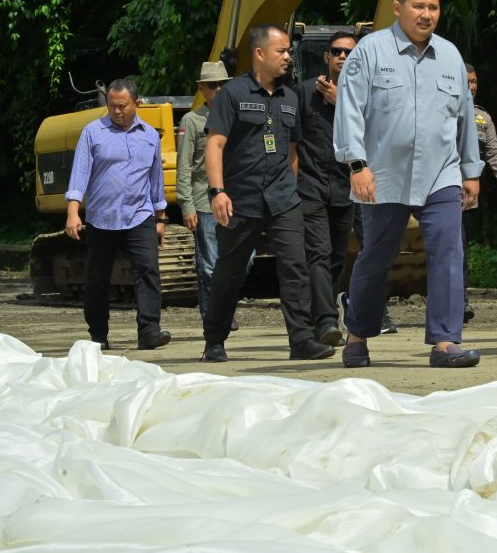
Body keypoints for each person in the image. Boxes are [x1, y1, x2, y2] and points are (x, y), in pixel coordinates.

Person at [333, 0, 484, 368]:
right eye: (418, 6)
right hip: (382, 175)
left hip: (441, 174)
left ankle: (445, 343)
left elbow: (465, 118)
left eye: (433, 7)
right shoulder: (370, 52)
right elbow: (348, 110)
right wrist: (357, 165)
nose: (426, 14)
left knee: (449, 253)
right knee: (376, 257)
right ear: (398, 8)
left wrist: (470, 171)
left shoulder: (450, 56)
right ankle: (357, 335)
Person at [199, 24, 336, 362]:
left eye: (289, 51)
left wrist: (290, 185)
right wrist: (217, 192)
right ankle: (214, 340)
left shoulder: (291, 98)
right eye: (282, 51)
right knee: (229, 271)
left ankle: (302, 340)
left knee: (295, 266)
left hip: (283, 199)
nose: (288, 57)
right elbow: (215, 145)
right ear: (259, 54)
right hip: (240, 199)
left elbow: (291, 151)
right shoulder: (232, 94)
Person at [64, 78, 171, 351]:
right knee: (98, 277)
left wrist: (161, 219)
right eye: (112, 106)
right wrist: (73, 213)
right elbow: (79, 175)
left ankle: (149, 331)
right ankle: (98, 335)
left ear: (137, 103)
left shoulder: (149, 135)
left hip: (140, 214)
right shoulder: (92, 132)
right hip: (102, 217)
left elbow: (155, 180)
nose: (117, 111)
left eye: (122, 106)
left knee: (148, 271)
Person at [295, 31, 358, 347]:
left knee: (336, 257)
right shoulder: (305, 93)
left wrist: (342, 102)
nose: (342, 57)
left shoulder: (363, 95)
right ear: (326, 57)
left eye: (348, 52)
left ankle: (320, 315)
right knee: (317, 254)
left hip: (346, 187)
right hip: (311, 186)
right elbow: (291, 141)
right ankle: (327, 320)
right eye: (337, 52)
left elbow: (376, 132)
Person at [176, 61, 249, 330]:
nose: (218, 89)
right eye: (211, 85)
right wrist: (186, 205)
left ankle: (221, 311)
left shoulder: (238, 117)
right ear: (202, 89)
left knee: (243, 259)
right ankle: (215, 318)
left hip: (237, 201)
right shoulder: (192, 121)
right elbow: (184, 166)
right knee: (209, 265)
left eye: (222, 84)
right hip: (204, 202)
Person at [461, 62, 497, 322]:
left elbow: (494, 150)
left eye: (474, 81)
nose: (471, 87)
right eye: (466, 80)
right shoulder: (438, 110)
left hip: (466, 196)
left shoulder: (482, 117)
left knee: (459, 248)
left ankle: (458, 301)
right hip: (434, 191)